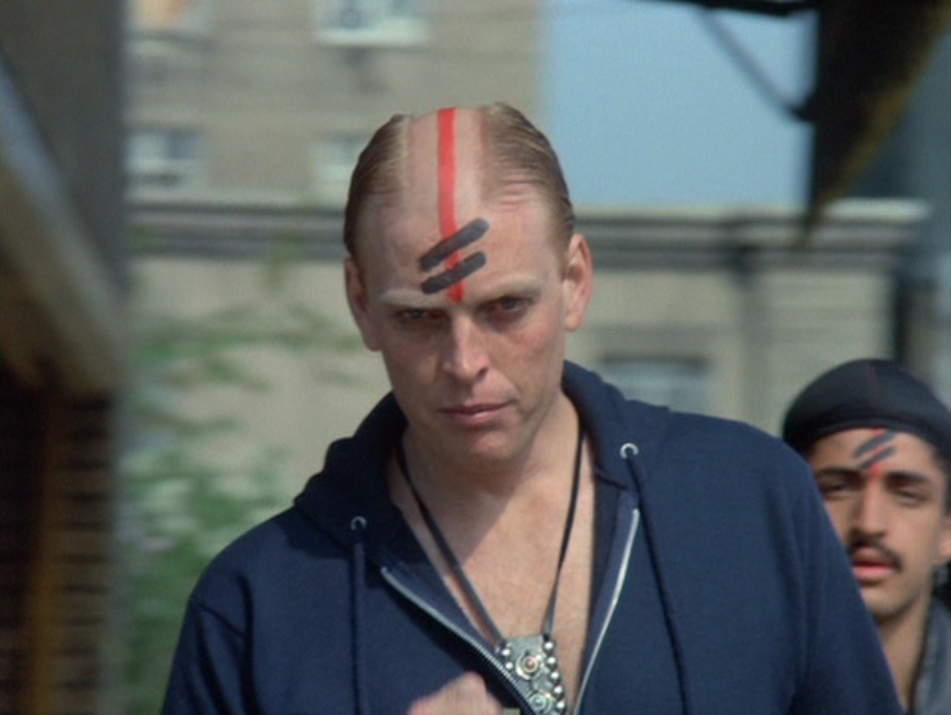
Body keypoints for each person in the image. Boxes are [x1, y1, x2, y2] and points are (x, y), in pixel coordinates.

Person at [161, 103, 902, 715]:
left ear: (574, 281)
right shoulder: (259, 607)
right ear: (361, 303)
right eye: (419, 317)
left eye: (505, 307)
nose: (465, 362)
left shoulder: (751, 503)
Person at [782, 358, 951, 714]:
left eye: (907, 494)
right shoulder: (728, 687)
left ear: (947, 532)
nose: (869, 523)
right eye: (837, 488)